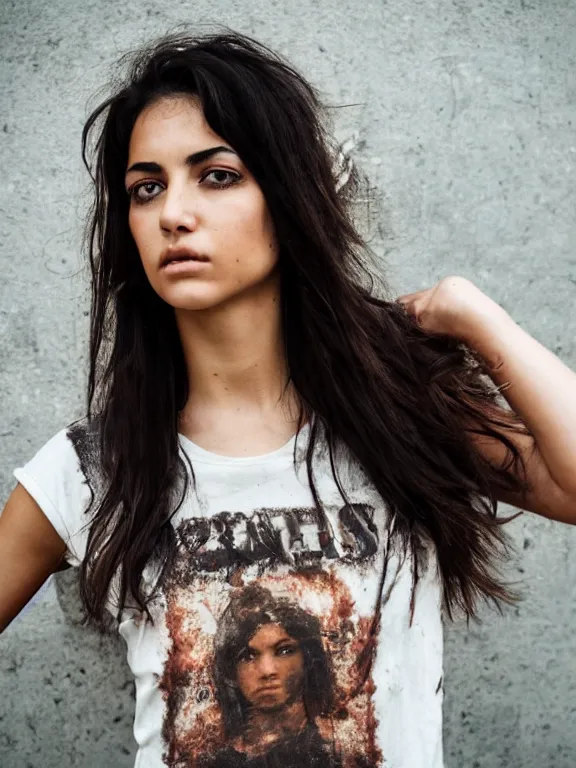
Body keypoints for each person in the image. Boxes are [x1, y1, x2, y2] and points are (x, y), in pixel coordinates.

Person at [1, 26, 575, 768]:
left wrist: (470, 313)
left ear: (290, 191)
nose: (174, 212)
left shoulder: (401, 418)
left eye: (217, 175)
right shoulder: (90, 471)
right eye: (147, 188)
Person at [197, 584, 344, 768]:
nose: (267, 671)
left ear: (307, 658)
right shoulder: (215, 763)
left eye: (284, 651)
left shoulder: (336, 754)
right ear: (230, 670)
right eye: (248, 656)